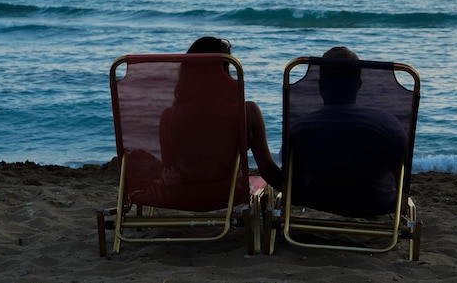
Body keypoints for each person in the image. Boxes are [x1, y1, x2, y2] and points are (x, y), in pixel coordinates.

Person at [287, 46, 408, 217]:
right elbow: (404, 162)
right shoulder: (388, 125)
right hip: (376, 203)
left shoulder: (300, 128)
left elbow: (291, 168)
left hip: (318, 201)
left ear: (320, 85)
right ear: (358, 85)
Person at [160, 36, 282, 190]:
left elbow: (169, 165)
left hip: (180, 194)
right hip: (228, 193)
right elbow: (267, 170)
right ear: (226, 70)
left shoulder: (168, 116)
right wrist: (294, 189)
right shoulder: (247, 112)